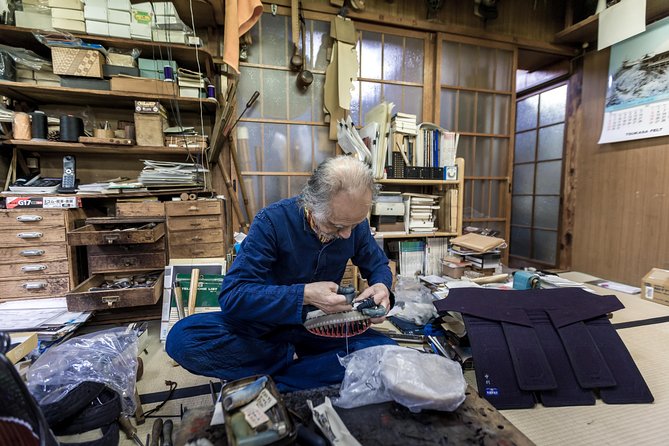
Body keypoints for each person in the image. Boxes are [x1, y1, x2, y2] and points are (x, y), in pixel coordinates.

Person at [166, 155, 397, 392]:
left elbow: (378, 265)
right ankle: (296, 368)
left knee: (386, 351)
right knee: (183, 340)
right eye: (337, 226)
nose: (348, 234)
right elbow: (233, 295)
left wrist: (382, 288)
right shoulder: (272, 222)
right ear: (312, 203)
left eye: (355, 224)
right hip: (263, 330)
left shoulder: (352, 224)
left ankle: (275, 376)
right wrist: (304, 294)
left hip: (319, 328)